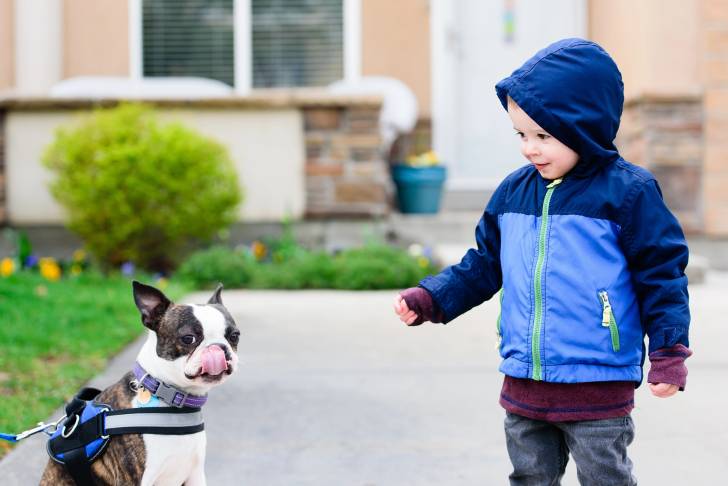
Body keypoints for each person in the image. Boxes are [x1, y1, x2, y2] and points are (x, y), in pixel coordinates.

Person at [393, 38, 692, 485]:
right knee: (529, 476)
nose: (529, 148)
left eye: (543, 135)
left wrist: (668, 353)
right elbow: (483, 264)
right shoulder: (514, 192)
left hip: (597, 379)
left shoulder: (627, 194)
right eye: (521, 135)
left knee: (604, 476)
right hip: (524, 380)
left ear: (585, 127)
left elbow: (661, 277)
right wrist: (433, 297)